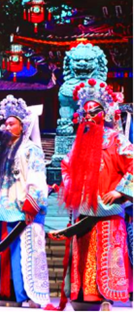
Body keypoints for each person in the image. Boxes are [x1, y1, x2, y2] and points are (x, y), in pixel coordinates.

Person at [50, 79, 131, 311]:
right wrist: (74, 188)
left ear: (104, 113)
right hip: (84, 209)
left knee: (105, 253)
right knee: (83, 254)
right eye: (85, 113)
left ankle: (105, 297)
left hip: (107, 209)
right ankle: (82, 296)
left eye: (94, 112)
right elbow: (66, 166)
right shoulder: (79, 143)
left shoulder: (116, 139)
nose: (88, 117)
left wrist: (120, 191)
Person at [0, 96, 50, 308]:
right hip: (7, 210)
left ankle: (29, 295)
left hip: (24, 211)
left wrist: (32, 204)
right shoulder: (7, 150)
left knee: (25, 253)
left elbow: (37, 178)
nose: (7, 127)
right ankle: (7, 293)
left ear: (23, 126)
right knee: (6, 254)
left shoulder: (31, 149)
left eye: (11, 123)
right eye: (5, 123)